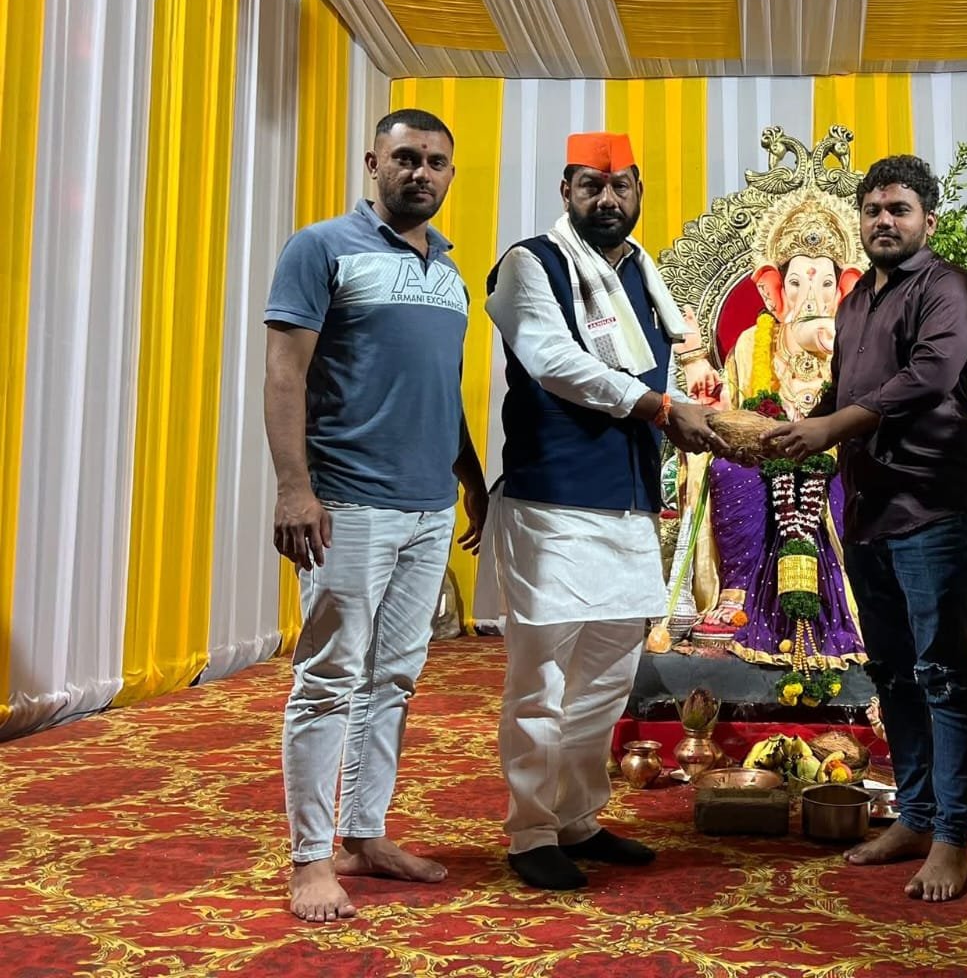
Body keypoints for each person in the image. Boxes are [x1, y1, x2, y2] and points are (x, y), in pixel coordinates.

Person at [264, 109, 489, 923]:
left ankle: (364, 835)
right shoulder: (320, 248)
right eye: (406, 158)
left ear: (450, 174)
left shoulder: (451, 275)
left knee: (394, 678)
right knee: (329, 678)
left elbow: (440, 386)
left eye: (435, 161)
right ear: (373, 163)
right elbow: (284, 374)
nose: (421, 172)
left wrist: (471, 478)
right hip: (347, 503)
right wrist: (295, 488)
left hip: (428, 506)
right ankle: (309, 859)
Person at [484, 131, 724, 891]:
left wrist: (707, 416)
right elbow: (554, 362)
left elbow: (656, 375)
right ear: (566, 192)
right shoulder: (531, 264)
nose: (607, 199)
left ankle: (577, 818)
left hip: (627, 503)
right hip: (552, 500)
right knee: (541, 680)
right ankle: (530, 831)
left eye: (620, 186)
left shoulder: (641, 276)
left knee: (607, 678)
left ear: (639, 191)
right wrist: (661, 408)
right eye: (591, 185)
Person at [765, 153, 967, 902]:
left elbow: (928, 378)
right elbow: (844, 388)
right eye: (873, 210)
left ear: (928, 219)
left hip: (930, 509)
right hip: (867, 512)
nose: (884, 221)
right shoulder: (859, 300)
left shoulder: (947, 288)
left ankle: (953, 838)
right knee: (893, 672)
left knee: (943, 674)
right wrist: (786, 429)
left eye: (899, 209)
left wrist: (831, 426)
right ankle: (916, 817)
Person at [675, 186, 868, 670]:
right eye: (797, 283)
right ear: (773, 290)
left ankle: (857, 604)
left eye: (825, 283)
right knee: (726, 470)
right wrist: (713, 397)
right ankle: (736, 593)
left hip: (834, 458)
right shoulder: (751, 343)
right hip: (762, 457)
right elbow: (733, 414)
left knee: (854, 476)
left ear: (844, 289)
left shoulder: (855, 345)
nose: (811, 296)